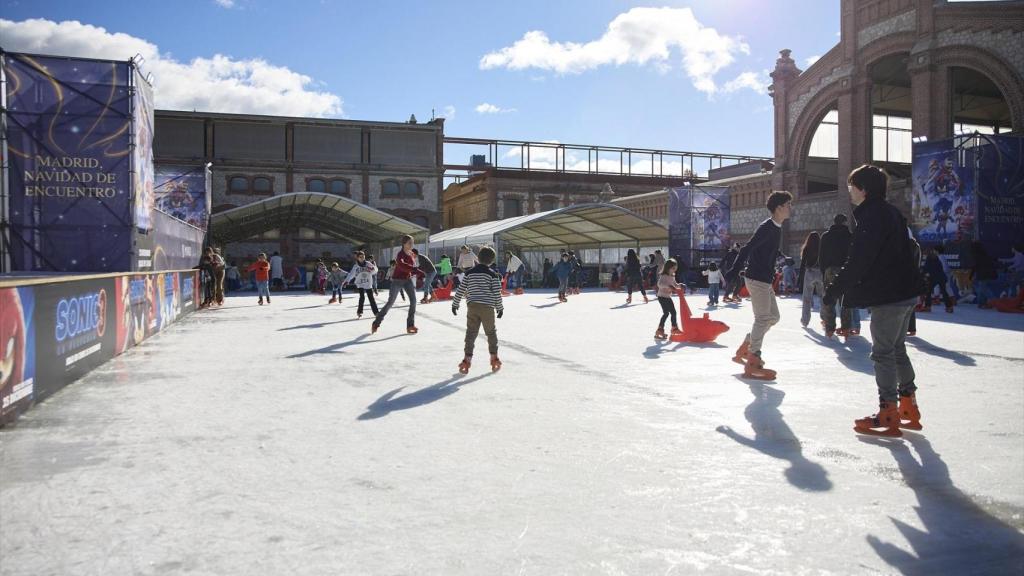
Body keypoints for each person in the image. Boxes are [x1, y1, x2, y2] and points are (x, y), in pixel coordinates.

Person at [824, 164, 923, 437]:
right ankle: (908, 406)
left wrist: (833, 292)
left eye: (851, 186)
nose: (849, 191)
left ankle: (888, 411)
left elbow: (859, 261)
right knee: (897, 349)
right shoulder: (891, 213)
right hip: (905, 292)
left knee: (882, 353)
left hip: (890, 295)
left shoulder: (872, 217)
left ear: (863, 189)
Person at [728, 191, 793, 381]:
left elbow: (769, 247)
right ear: (779, 207)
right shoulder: (766, 227)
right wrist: (734, 270)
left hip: (764, 279)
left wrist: (781, 257)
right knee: (763, 318)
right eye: (789, 204)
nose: (791, 208)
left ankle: (746, 346)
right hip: (757, 279)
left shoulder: (776, 227)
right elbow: (748, 247)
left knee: (774, 317)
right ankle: (752, 361)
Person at [452, 246, 504, 374]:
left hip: (473, 306)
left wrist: (455, 303)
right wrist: (500, 308)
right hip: (487, 307)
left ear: (478, 258)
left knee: (471, 333)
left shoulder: (469, 273)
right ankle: (494, 357)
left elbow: (461, 289)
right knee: (491, 332)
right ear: (491, 261)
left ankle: (467, 359)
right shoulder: (493, 275)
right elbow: (497, 293)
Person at [372, 235, 423, 334]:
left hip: (407, 280)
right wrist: (414, 270)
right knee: (390, 302)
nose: (412, 244)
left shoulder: (412, 254)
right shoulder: (400, 254)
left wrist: (418, 274)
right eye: (410, 243)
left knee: (413, 301)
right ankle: (377, 322)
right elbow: (402, 265)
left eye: (412, 242)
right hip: (397, 280)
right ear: (404, 244)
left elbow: (412, 268)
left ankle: (410, 325)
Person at [819, 214, 853, 337]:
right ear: (844, 222)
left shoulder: (826, 236)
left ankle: (829, 328)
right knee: (845, 300)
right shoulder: (849, 236)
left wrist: (824, 271)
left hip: (830, 269)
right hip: (846, 270)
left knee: (830, 299)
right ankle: (846, 328)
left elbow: (821, 256)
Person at [799, 231, 824, 327]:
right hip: (820, 273)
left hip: (809, 273)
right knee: (822, 297)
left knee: (807, 298)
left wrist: (800, 278)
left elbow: (803, 264)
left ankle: (805, 320)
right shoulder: (822, 248)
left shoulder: (806, 248)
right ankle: (824, 319)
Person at [343, 251, 378, 318]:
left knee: (371, 298)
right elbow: (351, 274)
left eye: (363, 256)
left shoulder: (368, 264)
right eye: (360, 257)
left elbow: (375, 271)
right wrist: (347, 281)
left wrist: (373, 268)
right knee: (362, 297)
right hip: (360, 283)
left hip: (368, 283)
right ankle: (359, 312)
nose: (362, 258)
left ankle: (376, 312)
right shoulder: (356, 266)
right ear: (357, 258)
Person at [655, 258, 683, 340]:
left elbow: (674, 284)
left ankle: (674, 328)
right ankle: (660, 329)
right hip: (662, 297)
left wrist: (679, 285)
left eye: (675, 268)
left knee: (673, 312)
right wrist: (668, 286)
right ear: (668, 268)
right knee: (666, 313)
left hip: (668, 296)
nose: (674, 270)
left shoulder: (672, 276)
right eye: (673, 268)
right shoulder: (664, 276)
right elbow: (659, 284)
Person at [921, 246, 954, 313]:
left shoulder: (929, 258)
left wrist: (922, 274)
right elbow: (940, 268)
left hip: (934, 277)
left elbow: (927, 268)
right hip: (941, 277)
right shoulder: (936, 258)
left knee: (928, 292)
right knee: (944, 292)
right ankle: (949, 307)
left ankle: (928, 307)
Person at [971, 242, 998, 308]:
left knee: (983, 289)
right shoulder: (984, 253)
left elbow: (975, 266)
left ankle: (995, 302)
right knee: (982, 288)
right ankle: (982, 303)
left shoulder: (976, 255)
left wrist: (971, 275)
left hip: (982, 274)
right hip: (987, 274)